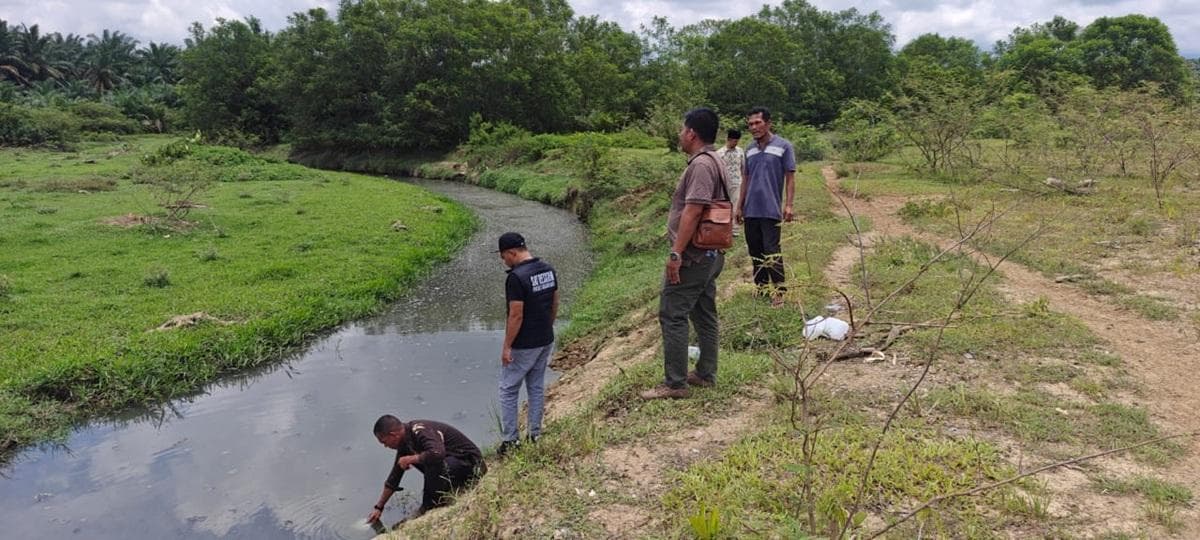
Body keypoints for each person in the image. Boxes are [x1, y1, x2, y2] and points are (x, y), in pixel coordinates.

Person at [641, 107, 728, 400]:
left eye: (682, 129)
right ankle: (705, 373)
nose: (680, 134)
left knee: (672, 313)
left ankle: (675, 383)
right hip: (709, 255)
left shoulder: (701, 165)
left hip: (694, 257)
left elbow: (693, 211)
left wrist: (676, 254)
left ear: (691, 132)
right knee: (704, 313)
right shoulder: (714, 159)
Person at [495, 232, 558, 455]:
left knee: (508, 389)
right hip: (545, 338)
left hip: (524, 343)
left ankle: (511, 440)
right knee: (536, 386)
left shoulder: (516, 278)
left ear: (512, 253)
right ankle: (535, 434)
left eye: (504, 257)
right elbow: (554, 302)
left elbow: (516, 315)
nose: (504, 261)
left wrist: (507, 346)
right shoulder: (548, 269)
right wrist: (547, 327)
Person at [367, 415, 487, 523]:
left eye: (385, 442)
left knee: (431, 461)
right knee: (419, 459)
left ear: (393, 435)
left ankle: (429, 505)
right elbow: (394, 477)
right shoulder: (404, 442)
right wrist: (379, 507)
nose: (385, 446)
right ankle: (439, 495)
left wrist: (412, 459)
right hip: (454, 465)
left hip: (472, 464)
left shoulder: (419, 430)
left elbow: (437, 453)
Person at [734, 106, 796, 307]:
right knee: (755, 251)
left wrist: (788, 205)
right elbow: (746, 178)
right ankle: (761, 288)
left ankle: (779, 291)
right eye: (750, 124)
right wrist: (739, 206)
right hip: (751, 210)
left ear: (768, 123)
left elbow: (790, 177)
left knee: (772, 251)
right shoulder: (749, 149)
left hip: (770, 210)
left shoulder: (783, 146)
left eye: (757, 123)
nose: (753, 127)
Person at [714, 128, 745, 219]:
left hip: (737, 182)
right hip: (724, 184)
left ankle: (734, 229)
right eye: (734, 141)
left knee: (736, 205)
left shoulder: (740, 152)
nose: (736, 143)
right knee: (723, 206)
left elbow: (743, 167)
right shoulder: (719, 153)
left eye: (737, 141)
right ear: (729, 139)